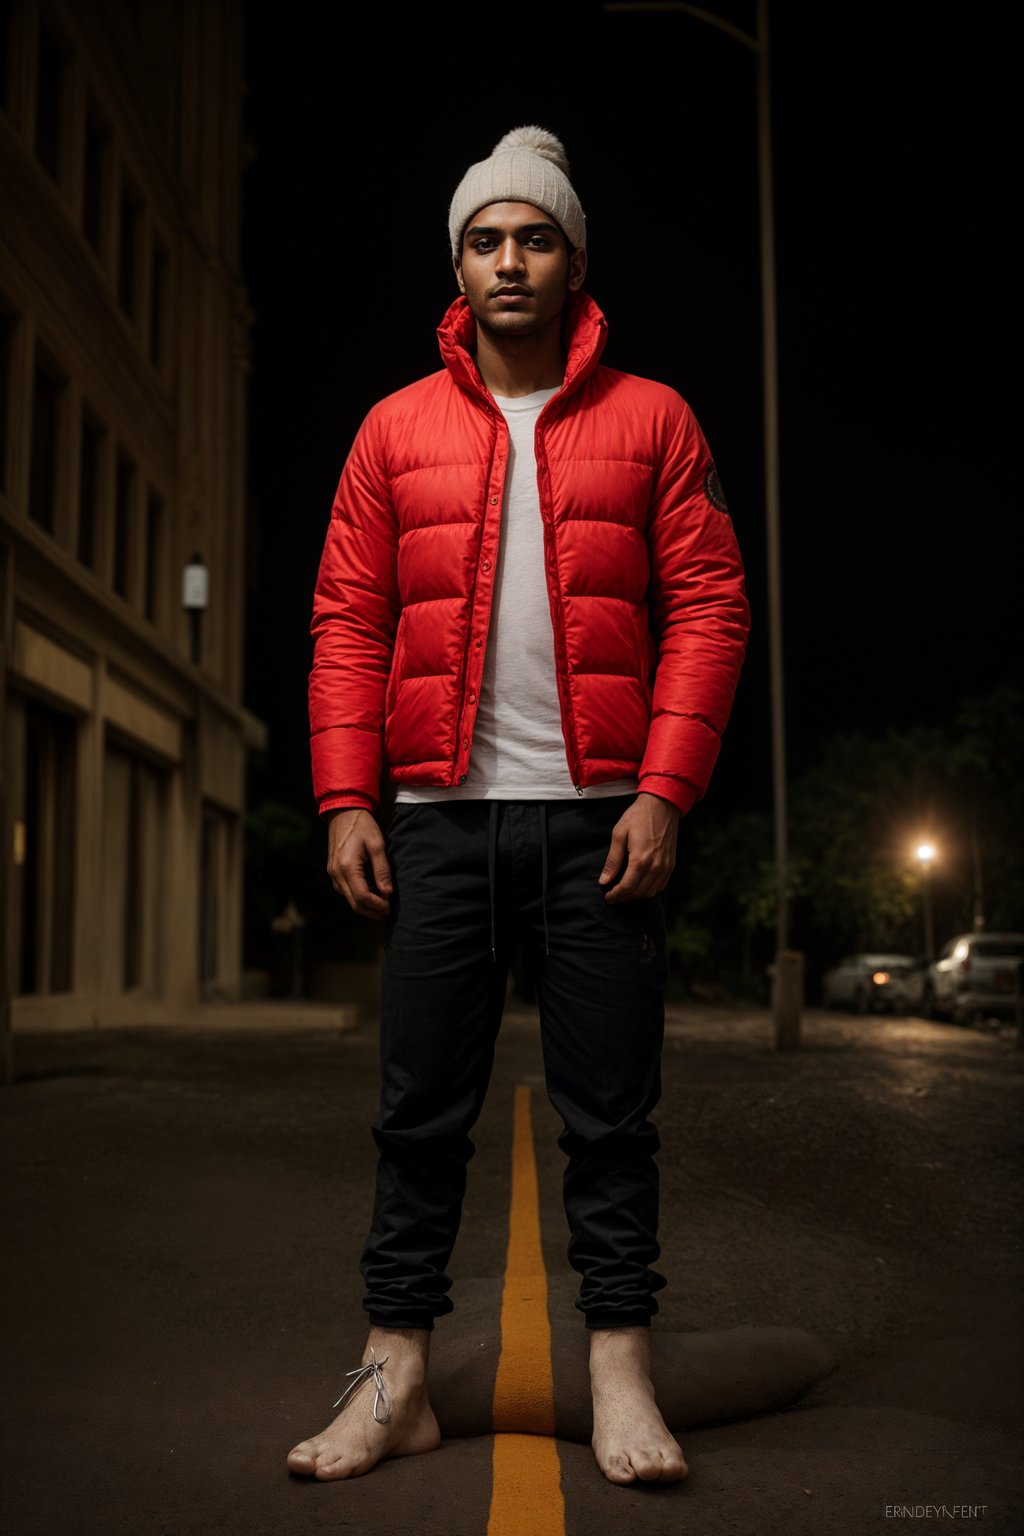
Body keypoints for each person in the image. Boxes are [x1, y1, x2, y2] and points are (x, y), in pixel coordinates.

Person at [288, 125, 750, 1486]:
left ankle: (620, 1377)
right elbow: (347, 619)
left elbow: (712, 607)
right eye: (486, 239)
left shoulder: (656, 419)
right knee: (415, 1114)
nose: (509, 260)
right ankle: (393, 1384)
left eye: (534, 237)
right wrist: (343, 797)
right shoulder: (393, 429)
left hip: (602, 819)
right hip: (437, 817)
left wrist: (665, 789)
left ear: (575, 261)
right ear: (458, 263)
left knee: (612, 1116)